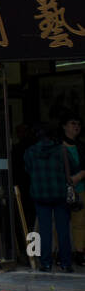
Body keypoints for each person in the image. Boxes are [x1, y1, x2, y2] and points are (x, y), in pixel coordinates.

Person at [24, 116, 79, 273]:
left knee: (45, 229)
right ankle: (66, 263)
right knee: (63, 229)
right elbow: (74, 168)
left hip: (40, 194)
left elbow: (28, 170)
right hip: (60, 193)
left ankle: (46, 263)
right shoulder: (62, 150)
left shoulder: (30, 152)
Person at [59, 113, 85, 265]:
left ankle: (79, 252)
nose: (76, 126)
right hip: (61, 190)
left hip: (80, 188)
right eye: (72, 123)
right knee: (60, 223)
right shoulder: (58, 146)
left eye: (78, 124)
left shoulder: (81, 146)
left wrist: (80, 175)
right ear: (64, 126)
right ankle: (60, 253)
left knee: (79, 222)